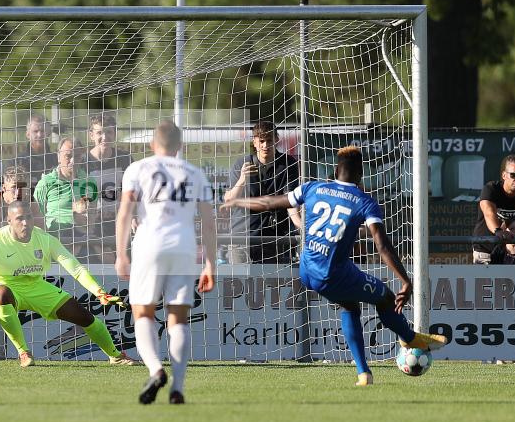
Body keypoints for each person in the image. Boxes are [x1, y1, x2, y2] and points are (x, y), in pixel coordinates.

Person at [223, 145, 447, 386]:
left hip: (307, 270)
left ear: (335, 170)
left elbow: (269, 202)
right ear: (361, 174)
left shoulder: (313, 187)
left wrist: (239, 202)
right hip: (333, 274)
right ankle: (412, 338)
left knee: (349, 304)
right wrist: (406, 280)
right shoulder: (365, 202)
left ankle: (364, 375)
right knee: (386, 298)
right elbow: (382, 247)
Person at [115, 120, 216, 405]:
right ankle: (178, 387)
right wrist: (210, 264)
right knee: (178, 317)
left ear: (152, 145)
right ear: (180, 146)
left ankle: (156, 369)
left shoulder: (138, 169)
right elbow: (209, 223)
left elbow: (125, 212)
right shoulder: (195, 173)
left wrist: (121, 253)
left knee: (143, 312)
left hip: (149, 245)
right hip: (183, 248)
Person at [0, 201, 135, 368]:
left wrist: (99, 292)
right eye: (19, 218)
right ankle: (24, 352)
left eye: (29, 217)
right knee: (0, 294)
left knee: (85, 317)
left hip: (36, 287)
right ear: (8, 221)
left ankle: (116, 356)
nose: (25, 223)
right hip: (4, 285)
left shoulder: (45, 239)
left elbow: (75, 268)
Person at [222, 121, 301, 264]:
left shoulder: (288, 164)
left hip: (275, 238)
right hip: (242, 237)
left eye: (269, 140)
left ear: (277, 139)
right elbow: (228, 201)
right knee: (240, 284)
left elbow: (291, 201)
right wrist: (241, 180)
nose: (265, 146)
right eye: (262, 141)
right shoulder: (242, 163)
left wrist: (300, 225)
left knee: (274, 284)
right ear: (254, 142)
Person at [34, 137, 96, 256]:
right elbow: (37, 217)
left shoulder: (89, 181)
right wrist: (72, 214)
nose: (72, 161)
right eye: (68, 156)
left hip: (82, 239)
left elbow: (92, 217)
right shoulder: (46, 182)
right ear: (58, 157)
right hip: (55, 238)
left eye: (77, 156)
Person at [83, 114, 132, 263]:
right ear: (91, 135)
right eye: (99, 133)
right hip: (93, 225)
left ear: (115, 134)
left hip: (120, 222)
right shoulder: (83, 162)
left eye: (109, 132)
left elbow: (133, 193)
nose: (104, 137)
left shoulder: (125, 159)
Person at [472, 155, 515, 264]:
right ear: (504, 175)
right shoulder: (491, 189)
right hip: (486, 249)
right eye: (514, 175)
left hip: (514, 251)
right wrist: (498, 231)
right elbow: (489, 212)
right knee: (485, 281)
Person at [0, 163, 44, 241]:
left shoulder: (29, 201)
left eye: (22, 187)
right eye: (14, 187)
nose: (18, 193)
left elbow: (41, 226)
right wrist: (12, 224)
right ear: (4, 188)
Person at [15, 114, 57, 190]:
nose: (39, 135)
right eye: (35, 131)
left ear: (49, 133)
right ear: (28, 134)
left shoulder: (57, 160)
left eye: (42, 131)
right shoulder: (18, 162)